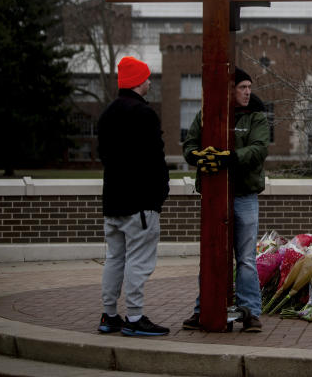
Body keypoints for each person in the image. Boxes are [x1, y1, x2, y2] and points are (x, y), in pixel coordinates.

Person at [181, 67, 269, 333]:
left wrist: (230, 158)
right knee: (211, 254)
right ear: (230, 90)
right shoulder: (207, 116)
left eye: (249, 88)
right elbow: (189, 145)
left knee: (244, 258)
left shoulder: (256, 117)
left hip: (244, 196)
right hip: (214, 197)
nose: (247, 92)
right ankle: (203, 309)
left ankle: (251, 312)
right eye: (242, 87)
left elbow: (259, 149)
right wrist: (199, 158)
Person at [97, 56, 170, 337]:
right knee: (139, 261)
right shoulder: (143, 114)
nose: (150, 81)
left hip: (113, 201)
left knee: (115, 258)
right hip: (139, 203)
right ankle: (135, 317)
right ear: (139, 81)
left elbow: (105, 156)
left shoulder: (107, 114)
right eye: (148, 77)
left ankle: (109, 315)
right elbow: (154, 157)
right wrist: (159, 192)